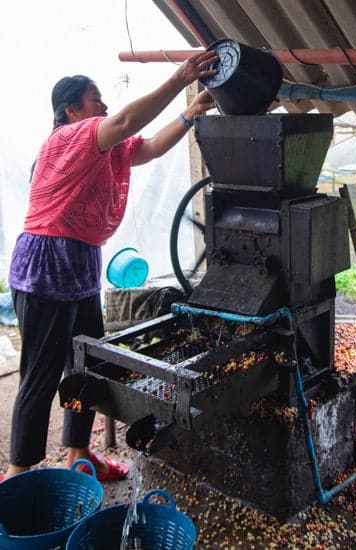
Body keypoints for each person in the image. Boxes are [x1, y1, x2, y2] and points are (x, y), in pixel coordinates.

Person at [2, 49, 219, 482]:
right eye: (95, 100)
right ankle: (17, 473)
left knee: (85, 365)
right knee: (41, 374)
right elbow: (125, 122)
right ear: (70, 110)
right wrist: (180, 79)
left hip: (81, 265)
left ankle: (79, 455)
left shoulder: (107, 148)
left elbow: (150, 147)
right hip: (46, 265)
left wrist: (192, 111)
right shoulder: (69, 137)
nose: (102, 107)